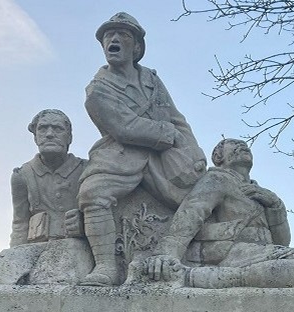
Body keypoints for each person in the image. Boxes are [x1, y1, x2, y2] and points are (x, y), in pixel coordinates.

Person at [74, 12, 206, 286]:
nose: (114, 39)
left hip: (162, 159)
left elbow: (175, 117)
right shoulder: (97, 90)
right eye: (109, 36)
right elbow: (125, 128)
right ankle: (106, 267)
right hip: (120, 157)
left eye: (123, 35)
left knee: (204, 189)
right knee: (92, 193)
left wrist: (192, 152)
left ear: (136, 47)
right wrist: (167, 134)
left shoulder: (151, 80)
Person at [135, 138, 294, 289]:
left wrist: (275, 206)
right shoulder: (217, 179)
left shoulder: (260, 192)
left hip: (260, 255)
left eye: (246, 146)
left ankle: (202, 278)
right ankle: (194, 277)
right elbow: (192, 212)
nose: (243, 147)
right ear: (218, 157)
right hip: (233, 253)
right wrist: (165, 254)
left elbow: (281, 243)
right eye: (234, 145)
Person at [0, 109, 92, 285]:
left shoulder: (87, 170)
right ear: (35, 136)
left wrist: (86, 224)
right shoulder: (22, 175)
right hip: (36, 246)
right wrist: (15, 258)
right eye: (43, 129)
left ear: (69, 137)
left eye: (57, 129)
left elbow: (106, 213)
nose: (49, 134)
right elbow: (20, 222)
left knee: (50, 276)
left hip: (75, 245)